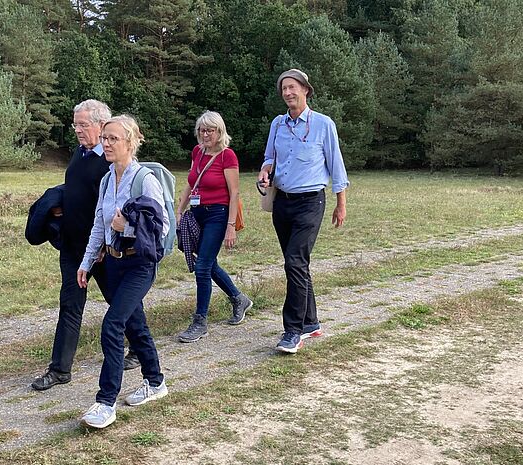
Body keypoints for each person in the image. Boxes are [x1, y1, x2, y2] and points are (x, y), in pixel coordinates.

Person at [31, 100, 139, 392]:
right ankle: (60, 369)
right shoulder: (79, 155)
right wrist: (57, 207)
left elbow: (114, 206)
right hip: (74, 247)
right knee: (70, 305)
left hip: (103, 250)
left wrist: (105, 245)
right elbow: (78, 192)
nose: (77, 130)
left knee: (120, 301)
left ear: (101, 125)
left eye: (82, 125)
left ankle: (139, 350)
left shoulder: (109, 162)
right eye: (75, 124)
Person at [77, 115, 169, 429]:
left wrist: (126, 226)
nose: (106, 143)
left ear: (130, 142)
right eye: (104, 138)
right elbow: (98, 227)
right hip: (113, 263)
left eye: (113, 138)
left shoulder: (145, 179)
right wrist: (86, 263)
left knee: (113, 324)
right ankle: (156, 382)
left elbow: (162, 227)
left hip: (140, 264)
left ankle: (105, 402)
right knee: (134, 325)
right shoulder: (106, 179)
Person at [257, 69, 349, 354]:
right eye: (284, 88)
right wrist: (265, 170)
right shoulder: (277, 124)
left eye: (293, 87)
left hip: (311, 202)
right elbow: (270, 156)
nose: (287, 93)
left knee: (294, 262)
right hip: (282, 202)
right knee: (296, 263)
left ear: (306, 90)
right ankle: (310, 322)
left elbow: (336, 165)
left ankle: (292, 331)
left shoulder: (323, 124)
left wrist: (340, 203)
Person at [175, 111, 252, 343]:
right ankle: (239, 299)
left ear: (220, 132)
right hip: (197, 214)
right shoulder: (197, 152)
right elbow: (191, 183)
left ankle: (200, 321)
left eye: (211, 130)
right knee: (207, 263)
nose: (206, 134)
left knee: (202, 267)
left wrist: (230, 226)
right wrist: (180, 209)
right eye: (202, 130)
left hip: (217, 215)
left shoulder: (227, 156)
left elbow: (234, 192)